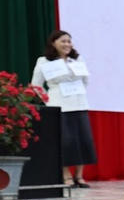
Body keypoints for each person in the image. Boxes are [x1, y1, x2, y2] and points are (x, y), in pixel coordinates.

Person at [31, 30, 95, 188]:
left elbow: (86, 80)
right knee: (66, 142)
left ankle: (79, 176)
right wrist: (49, 100)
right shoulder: (44, 61)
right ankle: (66, 176)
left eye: (69, 41)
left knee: (83, 141)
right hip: (59, 105)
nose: (67, 44)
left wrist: (78, 93)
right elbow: (36, 85)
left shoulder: (77, 59)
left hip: (79, 104)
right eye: (63, 41)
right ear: (54, 43)